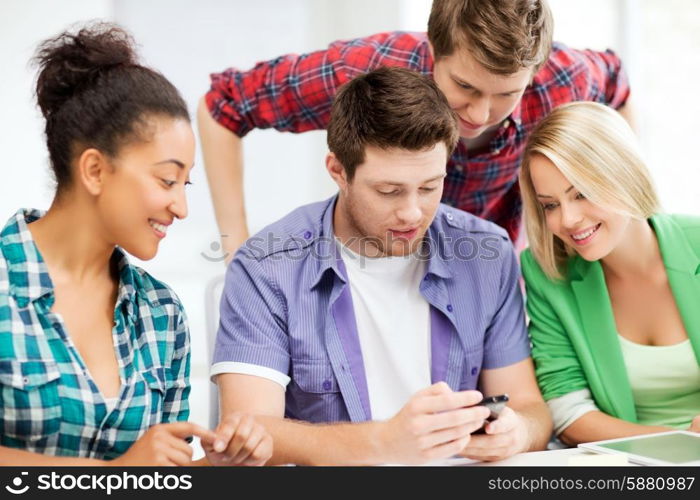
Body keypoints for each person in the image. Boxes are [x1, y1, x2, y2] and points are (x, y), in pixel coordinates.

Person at [210, 67, 552, 465]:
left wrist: (516, 433)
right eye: (388, 191)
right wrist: (383, 442)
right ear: (338, 170)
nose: (411, 213)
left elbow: (531, 408)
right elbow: (246, 430)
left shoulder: (487, 255)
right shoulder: (266, 266)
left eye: (429, 187)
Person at [0, 23, 271, 466]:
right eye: (167, 180)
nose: (181, 207)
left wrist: (218, 467)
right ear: (94, 170)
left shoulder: (162, 314)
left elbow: (159, 477)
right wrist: (114, 475)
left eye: (186, 183)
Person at [198, 0, 632, 261]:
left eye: (505, 94)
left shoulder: (564, 78)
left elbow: (617, 82)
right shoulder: (363, 70)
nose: (480, 114)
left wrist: (623, 208)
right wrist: (236, 250)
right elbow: (224, 103)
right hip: (371, 265)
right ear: (433, 48)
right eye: (464, 86)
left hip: (486, 270)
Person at [519, 101, 700, 446]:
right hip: (629, 465)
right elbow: (568, 412)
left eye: (582, 194)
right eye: (551, 205)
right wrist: (679, 440)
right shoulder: (547, 273)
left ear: (624, 175)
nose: (568, 220)